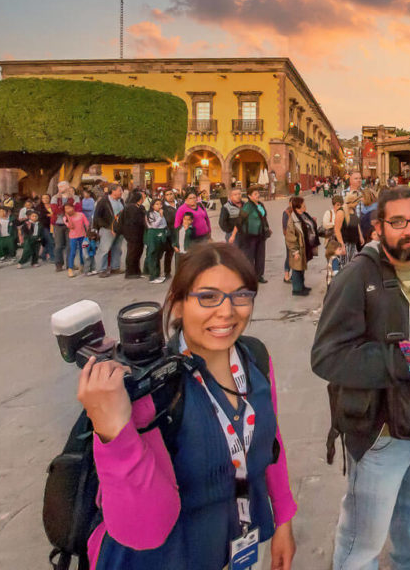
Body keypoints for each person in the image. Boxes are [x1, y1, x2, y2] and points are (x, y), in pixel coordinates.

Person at [77, 242, 297, 570]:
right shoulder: (153, 389)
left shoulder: (255, 359)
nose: (227, 311)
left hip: (241, 541)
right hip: (169, 557)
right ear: (177, 305)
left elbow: (271, 444)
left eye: (241, 295)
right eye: (208, 297)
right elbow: (146, 528)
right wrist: (112, 429)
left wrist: (283, 519)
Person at [311, 186, 410, 570]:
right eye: (397, 222)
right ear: (377, 228)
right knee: (362, 540)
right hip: (380, 434)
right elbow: (327, 357)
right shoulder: (356, 277)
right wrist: (406, 359)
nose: (409, 230)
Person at [237, 185, 271, 284]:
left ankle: (259, 275)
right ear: (249, 196)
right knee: (249, 257)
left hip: (260, 234)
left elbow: (264, 218)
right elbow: (240, 220)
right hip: (250, 235)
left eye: (258, 193)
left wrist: (267, 228)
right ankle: (249, 277)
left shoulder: (260, 205)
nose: (257, 195)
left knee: (260, 256)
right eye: (255, 194)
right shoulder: (247, 206)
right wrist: (241, 232)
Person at [92, 183, 125, 277]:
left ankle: (115, 267)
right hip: (107, 229)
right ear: (113, 191)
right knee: (104, 249)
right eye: (119, 190)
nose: (121, 192)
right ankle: (101, 269)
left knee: (117, 249)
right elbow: (97, 217)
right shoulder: (103, 201)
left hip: (119, 229)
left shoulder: (121, 201)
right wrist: (107, 227)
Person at [285, 196, 312, 297]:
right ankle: (296, 289)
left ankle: (302, 286)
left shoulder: (303, 215)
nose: (305, 207)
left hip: (304, 246)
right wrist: (294, 251)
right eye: (303, 205)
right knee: (297, 269)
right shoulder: (293, 220)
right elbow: (290, 237)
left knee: (302, 267)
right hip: (297, 248)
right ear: (297, 208)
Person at [119, 191, 147, 279]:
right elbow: (133, 221)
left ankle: (136, 270)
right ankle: (130, 272)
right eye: (142, 197)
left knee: (138, 252)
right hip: (132, 234)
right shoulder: (130, 207)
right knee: (132, 252)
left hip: (139, 234)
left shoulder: (140, 207)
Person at [143, 198, 169, 284]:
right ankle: (152, 276)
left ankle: (157, 274)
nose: (159, 206)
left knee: (158, 255)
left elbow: (164, 224)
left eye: (160, 204)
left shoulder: (159, 213)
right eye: (157, 204)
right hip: (153, 234)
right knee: (153, 254)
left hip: (161, 234)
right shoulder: (150, 214)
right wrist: (161, 216)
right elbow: (154, 225)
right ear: (152, 205)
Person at [62, 203, 89, 277]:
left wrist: (88, 233)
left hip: (83, 235)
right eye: (66, 209)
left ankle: (82, 265)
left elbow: (87, 223)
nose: (68, 210)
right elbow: (71, 226)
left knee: (82, 251)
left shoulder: (81, 214)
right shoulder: (65, 218)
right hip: (73, 237)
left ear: (73, 207)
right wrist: (68, 217)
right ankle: (70, 269)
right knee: (73, 252)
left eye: (69, 208)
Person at [161, 190, 180, 278]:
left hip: (181, 231)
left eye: (171, 194)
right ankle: (167, 272)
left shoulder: (180, 203)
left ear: (174, 194)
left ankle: (180, 271)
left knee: (181, 252)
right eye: (167, 195)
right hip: (170, 231)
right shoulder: (163, 207)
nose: (170, 196)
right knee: (169, 252)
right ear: (165, 196)